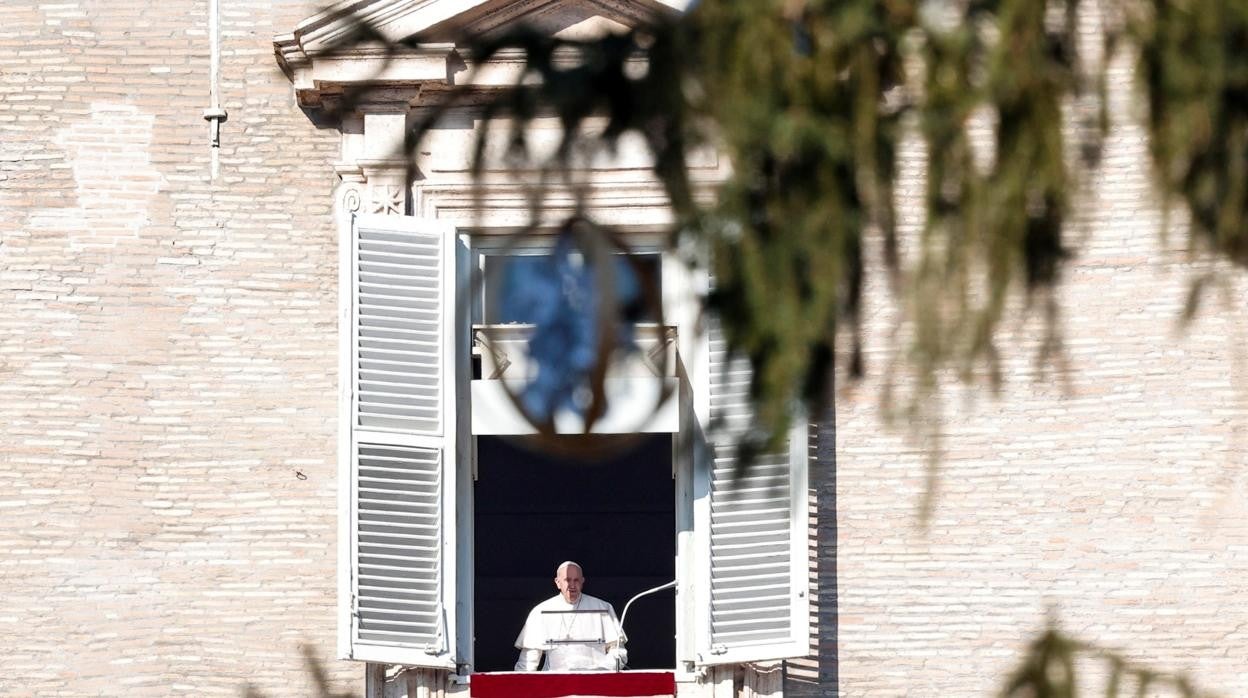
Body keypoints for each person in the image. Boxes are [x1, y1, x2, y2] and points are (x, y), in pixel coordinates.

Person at [513, 561, 628, 671]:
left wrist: (600, 671)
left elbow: (618, 651)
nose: (572, 585)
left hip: (595, 682)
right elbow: (528, 661)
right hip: (554, 683)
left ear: (582, 581)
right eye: (567, 580)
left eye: (576, 580)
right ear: (558, 582)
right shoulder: (540, 611)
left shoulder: (603, 608)